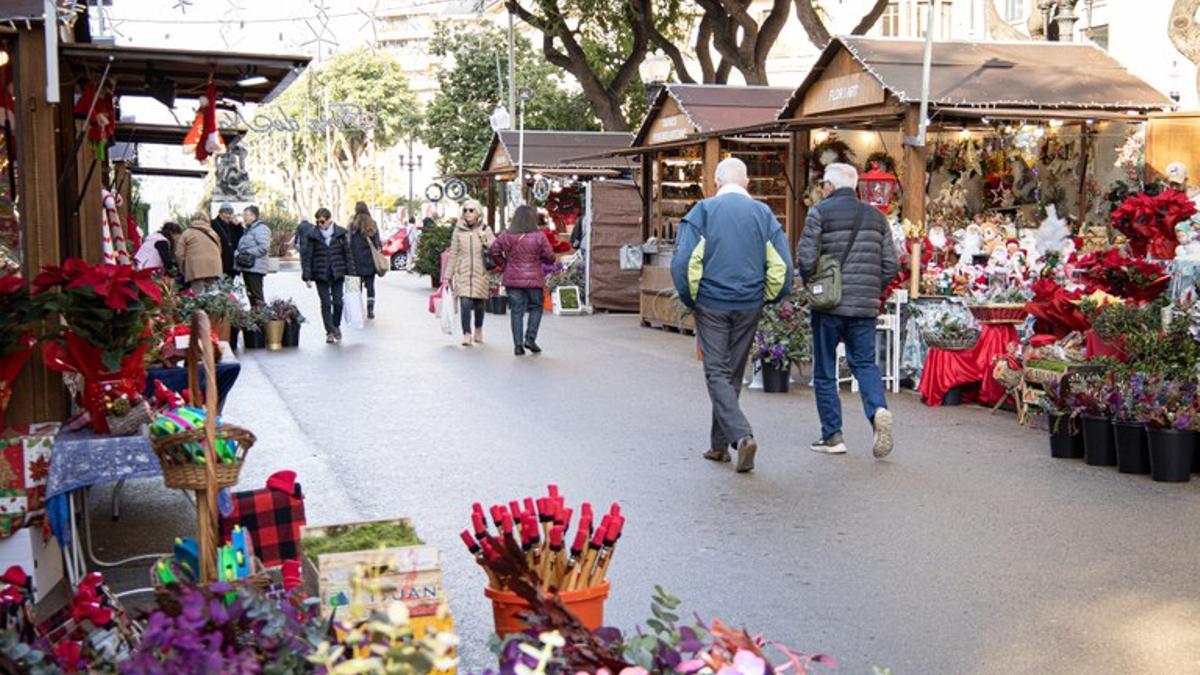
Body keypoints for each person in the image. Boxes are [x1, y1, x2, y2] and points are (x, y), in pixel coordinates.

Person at [670, 158, 793, 474]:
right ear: (747, 182)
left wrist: (690, 297)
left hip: (712, 301)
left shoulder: (704, 212)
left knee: (716, 371)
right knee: (732, 372)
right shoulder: (763, 214)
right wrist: (768, 296)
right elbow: (781, 267)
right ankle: (718, 446)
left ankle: (741, 435)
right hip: (749, 302)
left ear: (716, 181)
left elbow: (684, 262)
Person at [796, 162, 899, 459]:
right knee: (865, 363)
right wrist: (870, 288)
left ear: (829, 186)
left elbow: (805, 257)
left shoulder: (819, 212)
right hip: (864, 306)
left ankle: (833, 435)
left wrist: (815, 285)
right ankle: (878, 409)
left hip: (828, 305)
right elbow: (891, 264)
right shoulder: (876, 218)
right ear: (855, 187)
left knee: (826, 368)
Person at [490, 205, 555, 356]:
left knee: (516, 311)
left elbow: (494, 250)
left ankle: (518, 346)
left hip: (512, 279)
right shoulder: (539, 236)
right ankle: (530, 339)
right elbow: (550, 257)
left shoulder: (506, 235)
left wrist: (504, 264)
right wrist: (540, 259)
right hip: (534, 279)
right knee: (536, 307)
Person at [301, 207, 356, 344]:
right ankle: (330, 331)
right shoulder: (312, 235)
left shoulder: (340, 234)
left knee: (338, 302)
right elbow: (307, 256)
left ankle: (336, 325)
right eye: (317, 221)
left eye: (322, 221)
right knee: (326, 303)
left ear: (329, 220)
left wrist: (353, 276)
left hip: (338, 272)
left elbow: (348, 255)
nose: (320, 224)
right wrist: (307, 277)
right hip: (321, 274)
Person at [446, 198, 495, 346]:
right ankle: (466, 333)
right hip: (463, 272)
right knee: (465, 303)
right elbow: (453, 253)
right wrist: (447, 275)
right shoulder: (458, 230)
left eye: (471, 210)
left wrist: (484, 237)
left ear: (478, 212)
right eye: (465, 210)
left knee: (479, 304)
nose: (468, 213)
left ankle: (478, 329)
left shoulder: (486, 229)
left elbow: (494, 247)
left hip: (481, 272)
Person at [347, 202, 383, 319]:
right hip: (369, 260)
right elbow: (377, 244)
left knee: (354, 288)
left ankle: (355, 309)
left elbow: (347, 242)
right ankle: (370, 309)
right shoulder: (372, 223)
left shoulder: (352, 224)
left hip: (353, 261)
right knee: (371, 286)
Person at [176, 213, 224, 293]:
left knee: (198, 295)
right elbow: (219, 250)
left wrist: (183, 268)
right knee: (213, 294)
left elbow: (179, 254)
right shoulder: (213, 233)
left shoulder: (187, 233)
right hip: (214, 267)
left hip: (196, 268)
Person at [236, 205, 270, 307]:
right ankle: (257, 319)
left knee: (257, 297)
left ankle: (263, 320)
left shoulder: (261, 229)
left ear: (254, 216)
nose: (244, 217)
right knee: (252, 297)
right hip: (248, 267)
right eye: (243, 215)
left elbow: (264, 247)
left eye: (247, 215)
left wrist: (246, 252)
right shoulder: (249, 229)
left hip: (255, 268)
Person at [210, 203, 244, 279]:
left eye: (230, 213)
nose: (228, 216)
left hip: (232, 262)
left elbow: (240, 239)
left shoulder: (233, 225)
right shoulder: (213, 224)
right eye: (225, 213)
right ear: (220, 213)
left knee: (230, 287)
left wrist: (238, 226)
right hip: (219, 260)